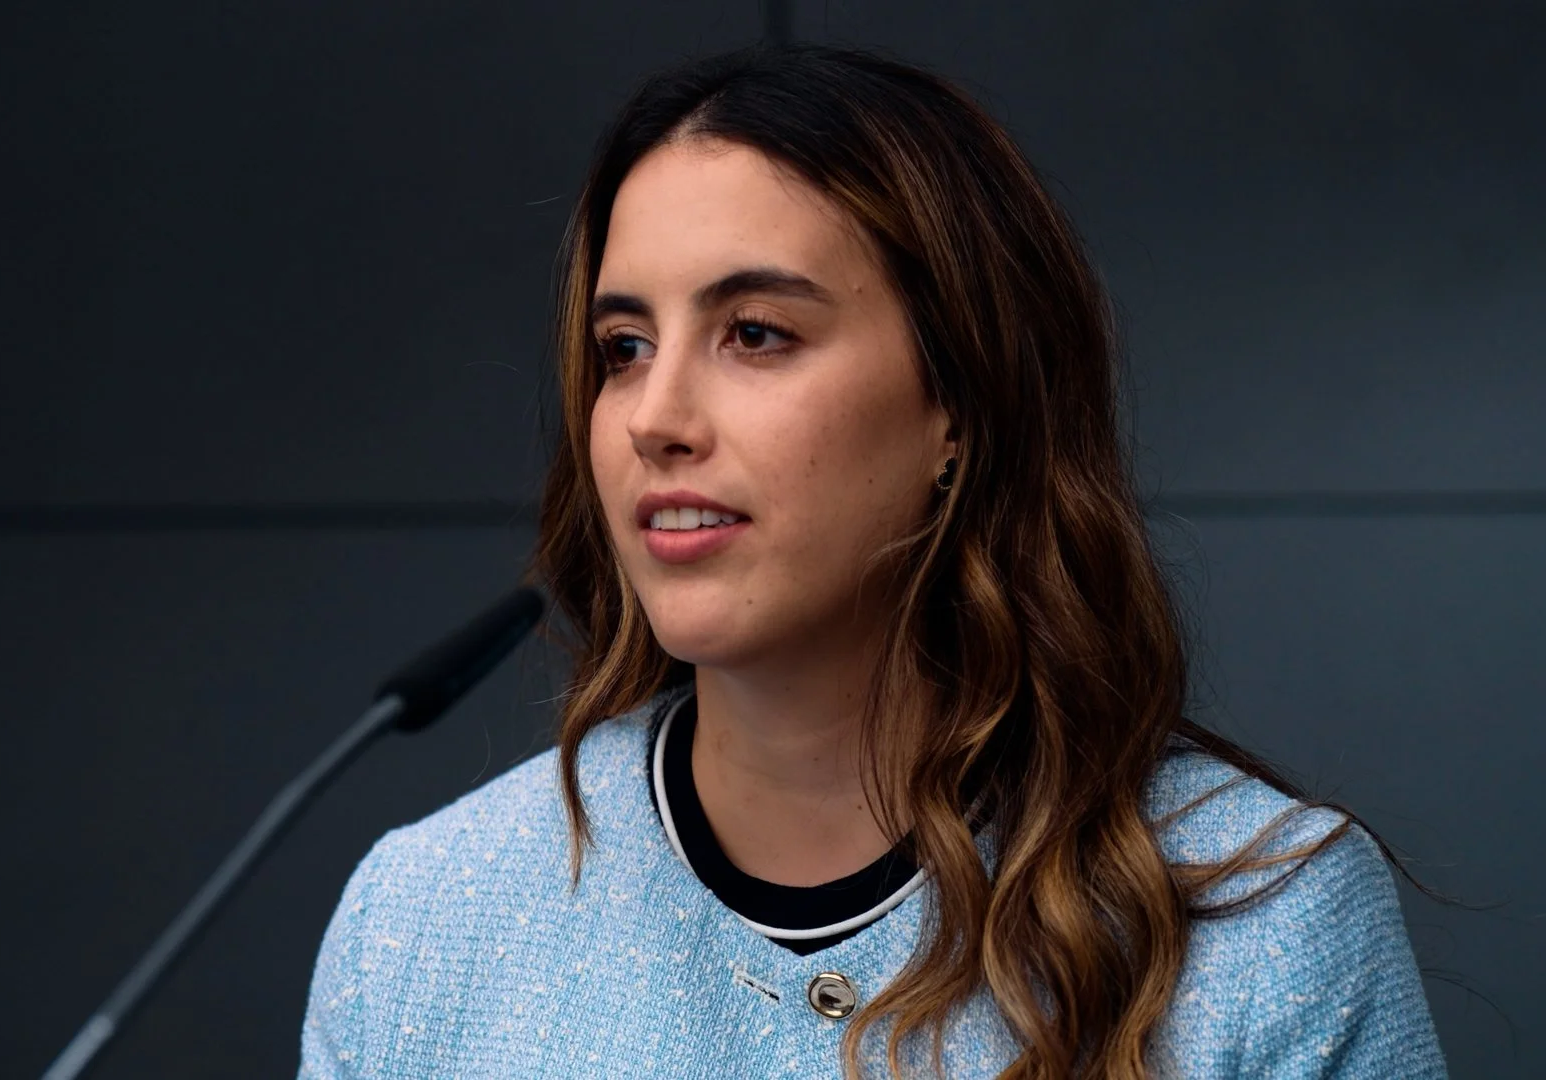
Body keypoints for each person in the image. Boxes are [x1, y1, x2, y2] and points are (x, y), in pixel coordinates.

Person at [299, 42, 1447, 1079]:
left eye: (756, 333)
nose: (656, 416)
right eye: (624, 347)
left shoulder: (1267, 917)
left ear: (960, 402)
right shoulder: (426, 918)